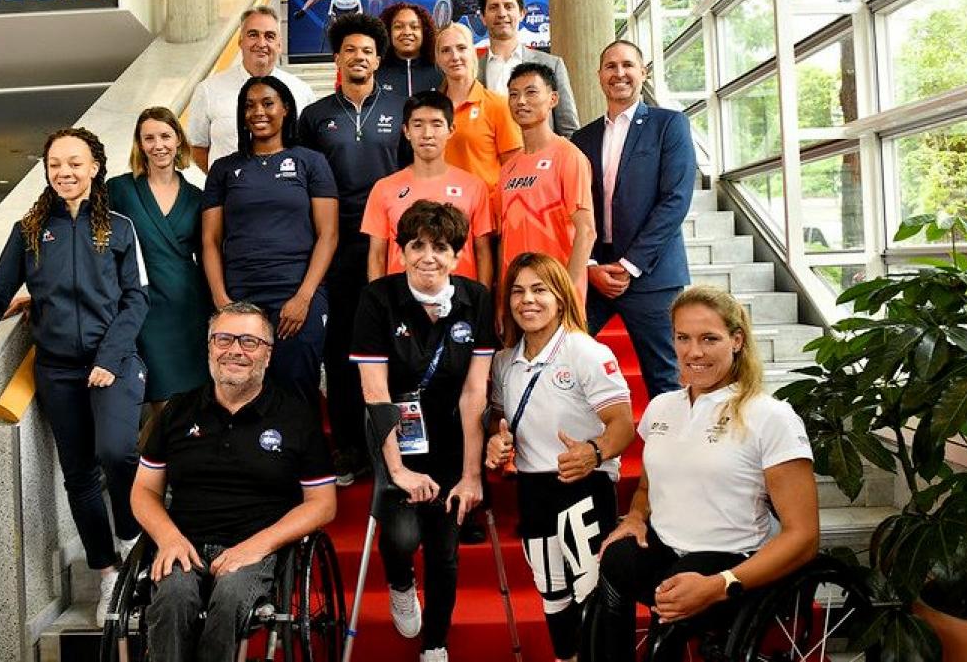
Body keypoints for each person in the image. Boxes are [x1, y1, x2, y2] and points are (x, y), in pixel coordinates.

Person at [0, 127, 149, 624]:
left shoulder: (119, 227)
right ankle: (108, 572)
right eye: (55, 165)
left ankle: (134, 536)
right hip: (56, 371)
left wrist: (110, 358)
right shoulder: (30, 231)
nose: (64, 173)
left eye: (74, 163)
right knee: (79, 476)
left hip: (114, 364)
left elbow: (137, 298)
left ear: (95, 166)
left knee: (116, 451)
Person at [593, 286, 819, 662]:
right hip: (668, 549)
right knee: (614, 562)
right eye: (683, 338)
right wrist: (634, 517)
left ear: (736, 340)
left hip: (734, 558)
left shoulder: (770, 416)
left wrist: (720, 585)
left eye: (709, 339)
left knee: (670, 607)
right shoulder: (663, 408)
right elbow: (649, 485)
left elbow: (804, 537)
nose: (693, 352)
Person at [133, 302, 337, 662]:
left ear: (268, 354)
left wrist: (257, 547)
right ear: (210, 346)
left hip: (255, 547)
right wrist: (168, 538)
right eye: (224, 339)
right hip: (185, 544)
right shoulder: (177, 412)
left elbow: (322, 504)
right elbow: (144, 490)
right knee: (172, 599)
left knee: (230, 598)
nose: (235, 351)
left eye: (249, 342)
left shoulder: (295, 417)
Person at [350, 201, 498, 662]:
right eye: (417, 245)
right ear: (402, 251)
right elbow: (375, 393)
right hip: (393, 432)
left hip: (453, 436)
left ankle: (435, 643)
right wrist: (398, 471)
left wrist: (471, 475)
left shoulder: (477, 300)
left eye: (440, 247)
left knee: (444, 549)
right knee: (400, 536)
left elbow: (475, 393)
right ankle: (399, 581)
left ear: (457, 255)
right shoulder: (378, 299)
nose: (428, 256)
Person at [486, 253, 634, 662]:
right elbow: (498, 418)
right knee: (552, 593)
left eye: (539, 290)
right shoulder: (503, 361)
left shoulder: (584, 351)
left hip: (583, 486)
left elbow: (623, 423)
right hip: (533, 488)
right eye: (518, 292)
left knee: (593, 592)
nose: (527, 301)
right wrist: (495, 442)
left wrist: (593, 452)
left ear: (561, 297)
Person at [297, 12, 410, 486]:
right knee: (342, 348)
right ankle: (348, 449)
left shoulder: (402, 108)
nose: (358, 57)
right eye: (350, 51)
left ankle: (404, 449)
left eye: (367, 51)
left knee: (401, 344)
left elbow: (412, 172)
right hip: (338, 244)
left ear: (378, 59)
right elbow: (304, 183)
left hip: (392, 241)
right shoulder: (315, 116)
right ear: (338, 59)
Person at [571, 39, 696, 398]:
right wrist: (591, 264)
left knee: (665, 379)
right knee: (563, 357)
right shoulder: (583, 137)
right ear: (599, 76)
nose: (619, 73)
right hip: (594, 275)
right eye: (610, 66)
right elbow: (578, 208)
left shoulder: (669, 125)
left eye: (627, 65)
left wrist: (630, 265)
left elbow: (675, 200)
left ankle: (675, 454)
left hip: (652, 275)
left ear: (643, 72)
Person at [202, 77, 338, 407]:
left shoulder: (310, 162)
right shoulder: (224, 168)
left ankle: (303, 458)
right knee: (242, 390)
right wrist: (222, 300)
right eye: (249, 105)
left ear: (286, 109)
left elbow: (328, 235)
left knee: (296, 390)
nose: (258, 112)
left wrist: (304, 297)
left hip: (297, 294)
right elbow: (209, 240)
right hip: (240, 297)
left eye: (267, 103)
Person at [108, 108, 210, 410]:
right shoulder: (119, 189)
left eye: (165, 136)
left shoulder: (196, 196)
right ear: (140, 145)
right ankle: (149, 457)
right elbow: (95, 248)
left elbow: (207, 256)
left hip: (188, 307)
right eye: (148, 138)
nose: (158, 145)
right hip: (142, 306)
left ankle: (165, 457)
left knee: (191, 403)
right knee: (161, 402)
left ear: (178, 139)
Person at [362, 90, 493, 287]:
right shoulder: (384, 189)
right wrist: (381, 304)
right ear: (406, 131)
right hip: (402, 303)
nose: (427, 134)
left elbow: (483, 253)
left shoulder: (474, 186)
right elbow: (377, 256)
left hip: (461, 303)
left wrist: (482, 304)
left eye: (436, 124)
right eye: (418, 125)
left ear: (451, 130)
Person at [497, 62, 596, 303]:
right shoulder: (508, 167)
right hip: (519, 296)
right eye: (513, 94)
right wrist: (502, 298)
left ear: (552, 99)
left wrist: (567, 294)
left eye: (531, 92)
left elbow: (586, 231)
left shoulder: (568, 156)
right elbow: (504, 237)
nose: (521, 101)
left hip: (556, 295)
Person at [187, 7, 315, 172]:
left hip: (287, 194)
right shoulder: (208, 90)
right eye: (253, 35)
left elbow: (311, 148)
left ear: (279, 45)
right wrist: (224, 183)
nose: (261, 43)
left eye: (269, 36)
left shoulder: (302, 91)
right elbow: (198, 147)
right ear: (240, 42)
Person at [436, 22, 523, 210]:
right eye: (446, 50)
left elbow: (515, 171)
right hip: (441, 222)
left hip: (487, 217)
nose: (455, 57)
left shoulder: (498, 106)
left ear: (473, 52)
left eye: (461, 48)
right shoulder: (430, 110)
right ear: (438, 59)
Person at [478, 0, 579, 138]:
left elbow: (569, 131)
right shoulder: (472, 72)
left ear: (522, 13)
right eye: (493, 7)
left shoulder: (552, 65)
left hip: (541, 160)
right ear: (483, 17)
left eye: (509, 6)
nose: (502, 13)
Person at [376, 2, 443, 97]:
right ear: (387, 32)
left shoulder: (441, 73)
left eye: (414, 27)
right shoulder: (374, 73)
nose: (407, 32)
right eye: (398, 27)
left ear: (425, 32)